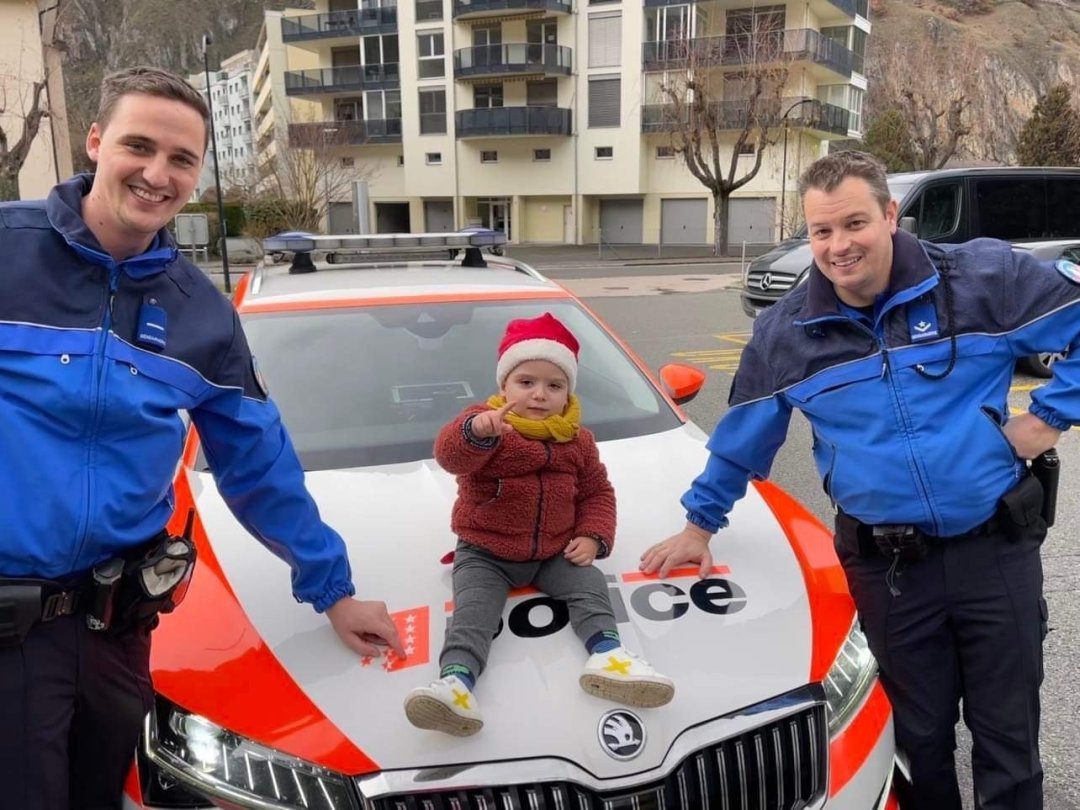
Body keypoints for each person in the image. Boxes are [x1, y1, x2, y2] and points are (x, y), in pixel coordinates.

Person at [0, 67, 404, 810]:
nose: (157, 174)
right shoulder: (7, 251)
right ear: (96, 142)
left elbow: (258, 463)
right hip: (11, 633)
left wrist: (333, 590)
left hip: (121, 628)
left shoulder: (201, 314)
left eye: (181, 159)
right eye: (138, 146)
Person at [640, 150, 1077, 810]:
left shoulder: (983, 279)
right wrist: (700, 525)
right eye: (822, 231)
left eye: (854, 224)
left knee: (1008, 738)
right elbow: (741, 442)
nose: (839, 246)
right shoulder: (786, 333)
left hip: (995, 552)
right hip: (889, 570)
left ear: (890, 215)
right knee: (917, 742)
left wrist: (1047, 419)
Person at [404, 312, 675, 736]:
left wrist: (592, 535)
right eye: (526, 382)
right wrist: (476, 431)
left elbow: (597, 492)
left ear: (568, 392)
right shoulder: (488, 427)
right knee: (474, 613)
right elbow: (450, 455)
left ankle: (609, 658)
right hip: (486, 553)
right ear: (503, 388)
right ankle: (455, 683)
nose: (539, 395)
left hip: (554, 551)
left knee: (591, 589)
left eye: (554, 385)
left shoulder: (577, 440)